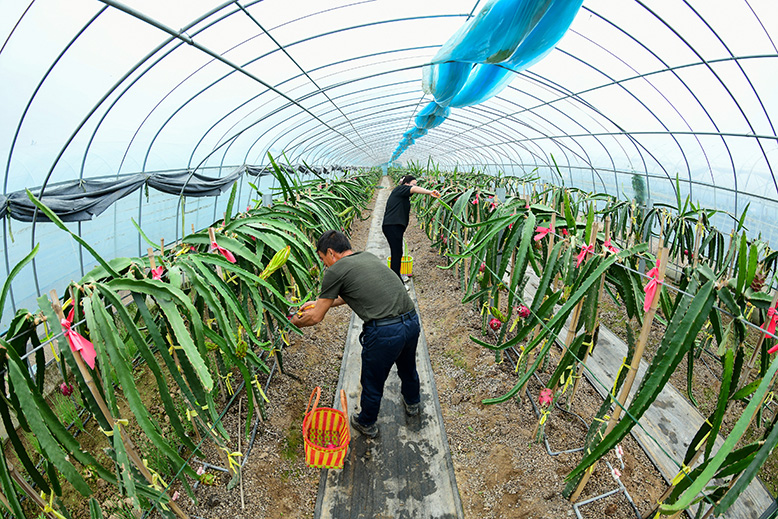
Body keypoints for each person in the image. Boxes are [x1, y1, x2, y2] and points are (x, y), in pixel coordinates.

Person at [291, 230, 421, 439]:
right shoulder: (366, 257)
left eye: (323, 259)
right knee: (408, 367)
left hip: (385, 332)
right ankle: (413, 403)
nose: (324, 265)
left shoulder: (335, 270)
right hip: (411, 321)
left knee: (372, 379)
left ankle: (367, 422)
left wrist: (291, 322)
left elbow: (315, 318)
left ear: (331, 253)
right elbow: (351, 293)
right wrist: (319, 303)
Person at [382, 175, 440, 280]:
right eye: (413, 184)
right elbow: (414, 189)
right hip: (392, 226)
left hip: (394, 226)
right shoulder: (400, 189)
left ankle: (396, 276)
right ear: (406, 184)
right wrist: (430, 192)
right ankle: (396, 280)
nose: (415, 187)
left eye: (415, 185)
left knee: (397, 253)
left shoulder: (402, 194)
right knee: (396, 253)